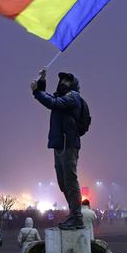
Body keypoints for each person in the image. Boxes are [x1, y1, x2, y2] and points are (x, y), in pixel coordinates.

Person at [31, 69, 86, 230]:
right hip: (60, 145)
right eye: (62, 80)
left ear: (73, 84)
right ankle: (73, 215)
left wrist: (36, 92)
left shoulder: (73, 97)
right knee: (63, 183)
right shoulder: (62, 97)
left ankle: (77, 217)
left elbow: (53, 103)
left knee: (70, 180)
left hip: (68, 144)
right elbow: (51, 99)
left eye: (67, 80)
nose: (63, 82)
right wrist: (41, 82)